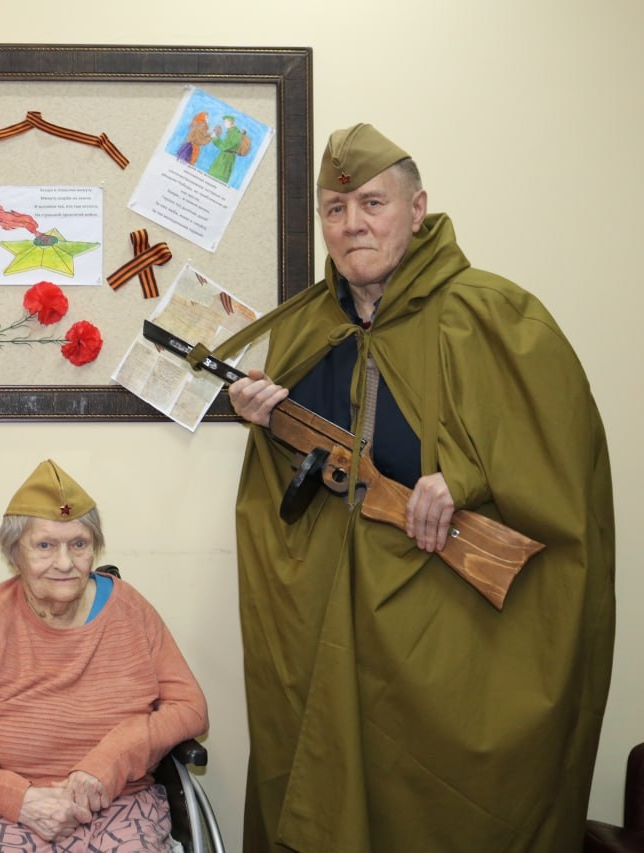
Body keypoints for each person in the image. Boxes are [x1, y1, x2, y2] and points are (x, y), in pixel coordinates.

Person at [219, 124, 615, 852]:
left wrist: (462, 478)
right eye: (335, 209)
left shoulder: (493, 314)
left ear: (418, 208)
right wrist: (268, 426)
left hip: (448, 624)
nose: (352, 224)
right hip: (329, 613)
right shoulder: (305, 324)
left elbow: (561, 454)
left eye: (373, 203)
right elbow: (291, 491)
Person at [0, 459, 209, 852]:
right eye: (45, 546)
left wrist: (114, 758)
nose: (65, 563)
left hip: (117, 802)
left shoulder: (131, 610)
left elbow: (190, 707)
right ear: (14, 554)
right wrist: (15, 796)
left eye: (79, 544)